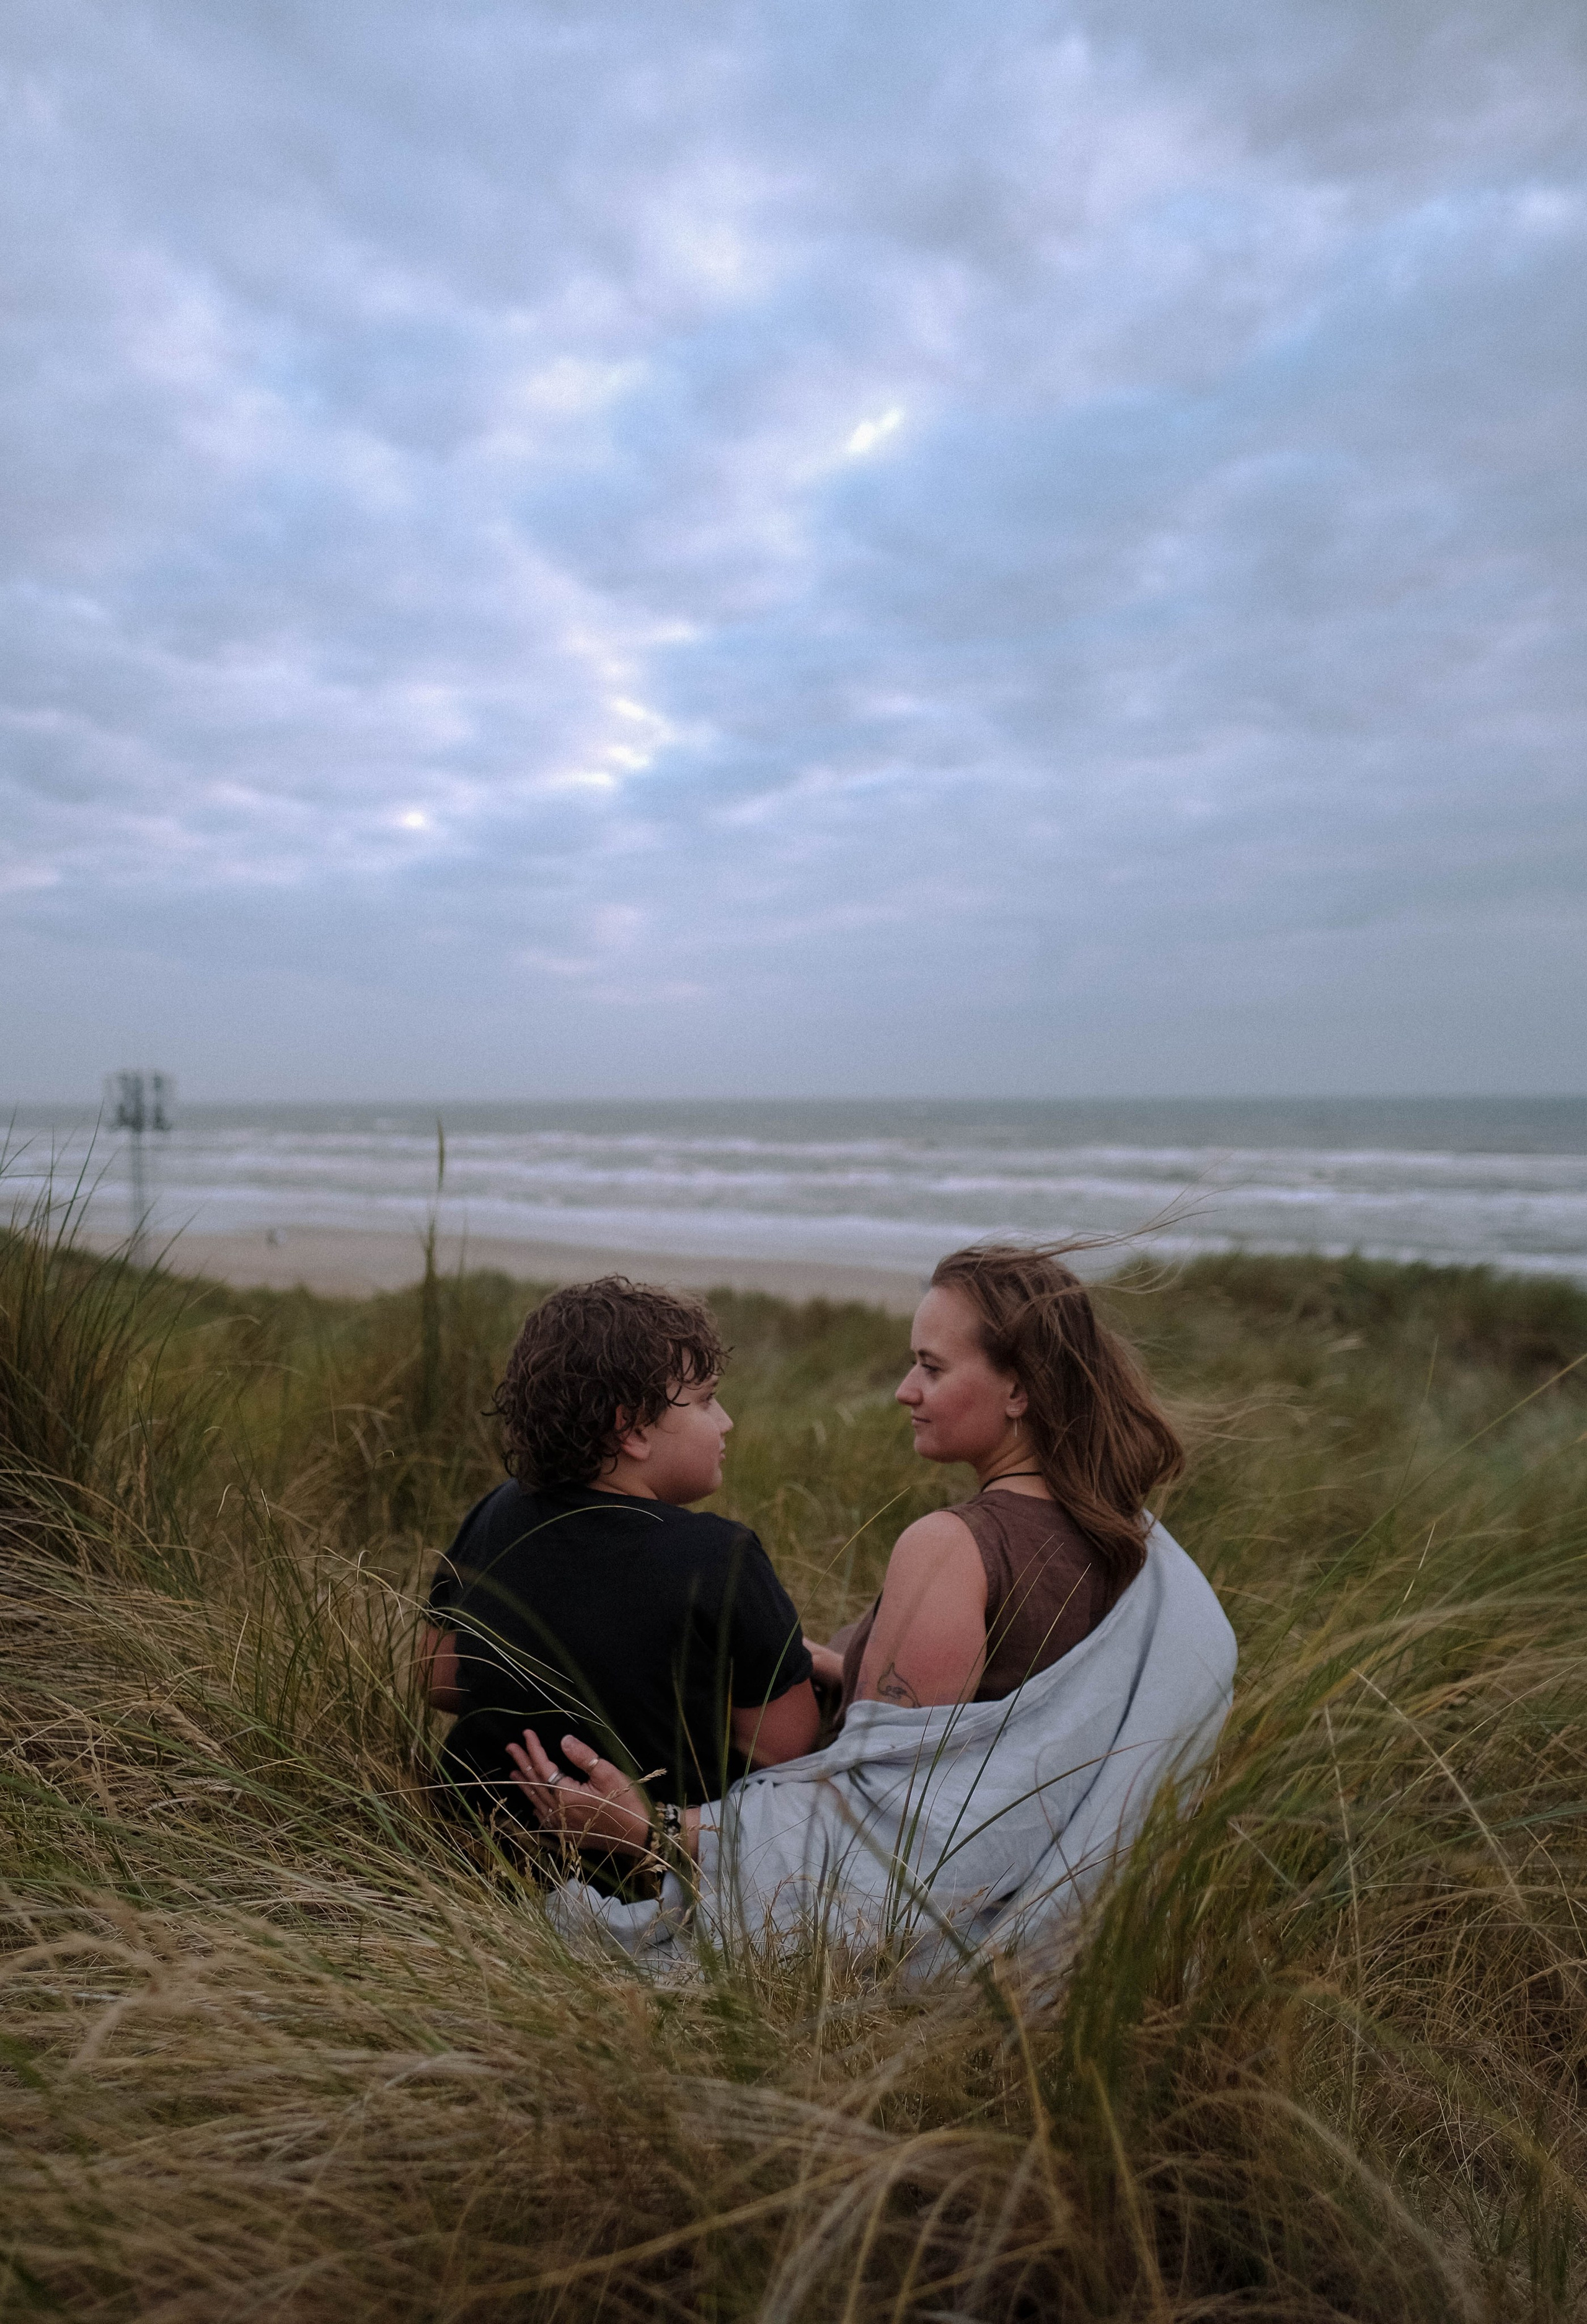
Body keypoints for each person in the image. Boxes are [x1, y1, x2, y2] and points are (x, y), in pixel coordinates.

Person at [508, 1243, 1187, 1874]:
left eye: (932, 1367)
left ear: (1019, 1389)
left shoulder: (953, 1546)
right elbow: (999, 1709)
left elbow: (874, 1821)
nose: (905, 1390)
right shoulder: (1123, 1534)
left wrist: (649, 1829)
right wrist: (843, 1665)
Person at [417, 1277, 820, 1842]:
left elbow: (437, 1679)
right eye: (706, 1400)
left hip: (469, 1842)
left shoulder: (498, 1511)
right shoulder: (721, 1556)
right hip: (643, 1861)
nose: (725, 1420)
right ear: (630, 1429)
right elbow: (785, 1750)